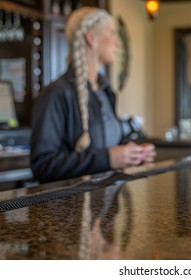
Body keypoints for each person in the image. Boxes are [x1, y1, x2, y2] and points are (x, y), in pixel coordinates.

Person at [30, 7, 156, 183]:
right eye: (112, 33)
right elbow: (43, 165)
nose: (117, 43)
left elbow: (110, 145)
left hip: (106, 208)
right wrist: (108, 158)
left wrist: (132, 153)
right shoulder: (56, 95)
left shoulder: (105, 92)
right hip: (69, 209)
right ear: (91, 38)